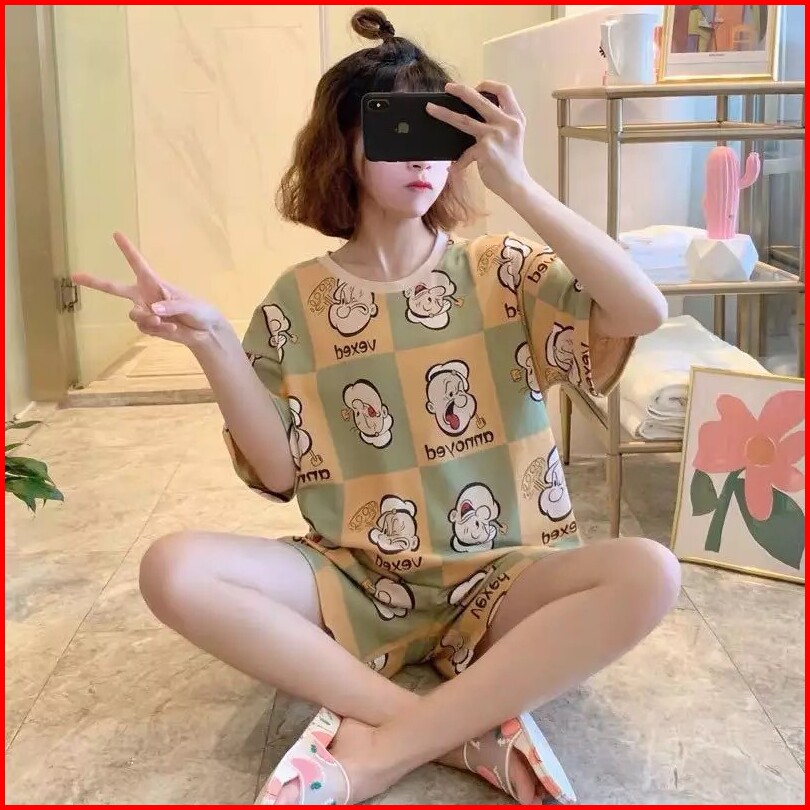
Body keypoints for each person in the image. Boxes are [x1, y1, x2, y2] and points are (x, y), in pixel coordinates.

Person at [75, 8, 680, 805]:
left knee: (650, 573)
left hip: (507, 578)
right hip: (357, 578)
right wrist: (213, 339)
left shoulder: (500, 270)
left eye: (439, 133)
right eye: (396, 131)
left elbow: (641, 312)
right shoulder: (296, 300)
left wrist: (520, 185)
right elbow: (279, 472)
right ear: (345, 147)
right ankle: (456, 735)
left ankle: (379, 750)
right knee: (172, 569)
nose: (421, 156)